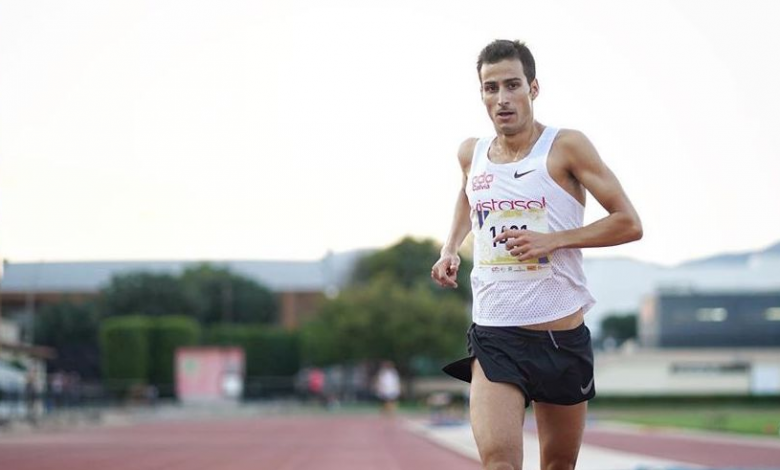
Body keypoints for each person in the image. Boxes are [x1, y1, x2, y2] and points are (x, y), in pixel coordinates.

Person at [431, 40, 642, 470]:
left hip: (560, 336)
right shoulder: (471, 153)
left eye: (512, 85)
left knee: (558, 466)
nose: (502, 98)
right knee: (499, 463)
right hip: (496, 336)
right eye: (491, 88)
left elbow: (629, 222)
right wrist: (450, 246)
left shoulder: (565, 147)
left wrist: (554, 240)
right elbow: (467, 195)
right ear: (482, 94)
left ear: (533, 88)